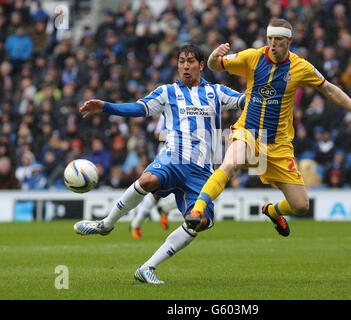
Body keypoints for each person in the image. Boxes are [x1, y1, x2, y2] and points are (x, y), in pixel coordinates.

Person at [185, 18, 351, 236]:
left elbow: (330, 90)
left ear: (289, 40)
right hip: (247, 131)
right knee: (230, 164)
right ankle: (197, 211)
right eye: (270, 38)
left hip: (278, 144)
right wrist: (214, 54)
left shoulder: (300, 67)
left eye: (278, 39)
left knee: (300, 205)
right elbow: (214, 65)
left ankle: (272, 211)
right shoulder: (252, 57)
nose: (273, 43)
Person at [73, 44, 245, 283]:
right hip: (172, 158)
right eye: (181, 61)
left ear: (201, 65)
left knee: (200, 222)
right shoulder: (167, 93)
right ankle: (106, 223)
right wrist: (106, 106)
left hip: (202, 171)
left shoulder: (217, 92)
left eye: (191, 61)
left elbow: (246, 102)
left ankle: (147, 268)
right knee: (147, 179)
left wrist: (265, 93)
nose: (185, 66)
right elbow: (139, 108)